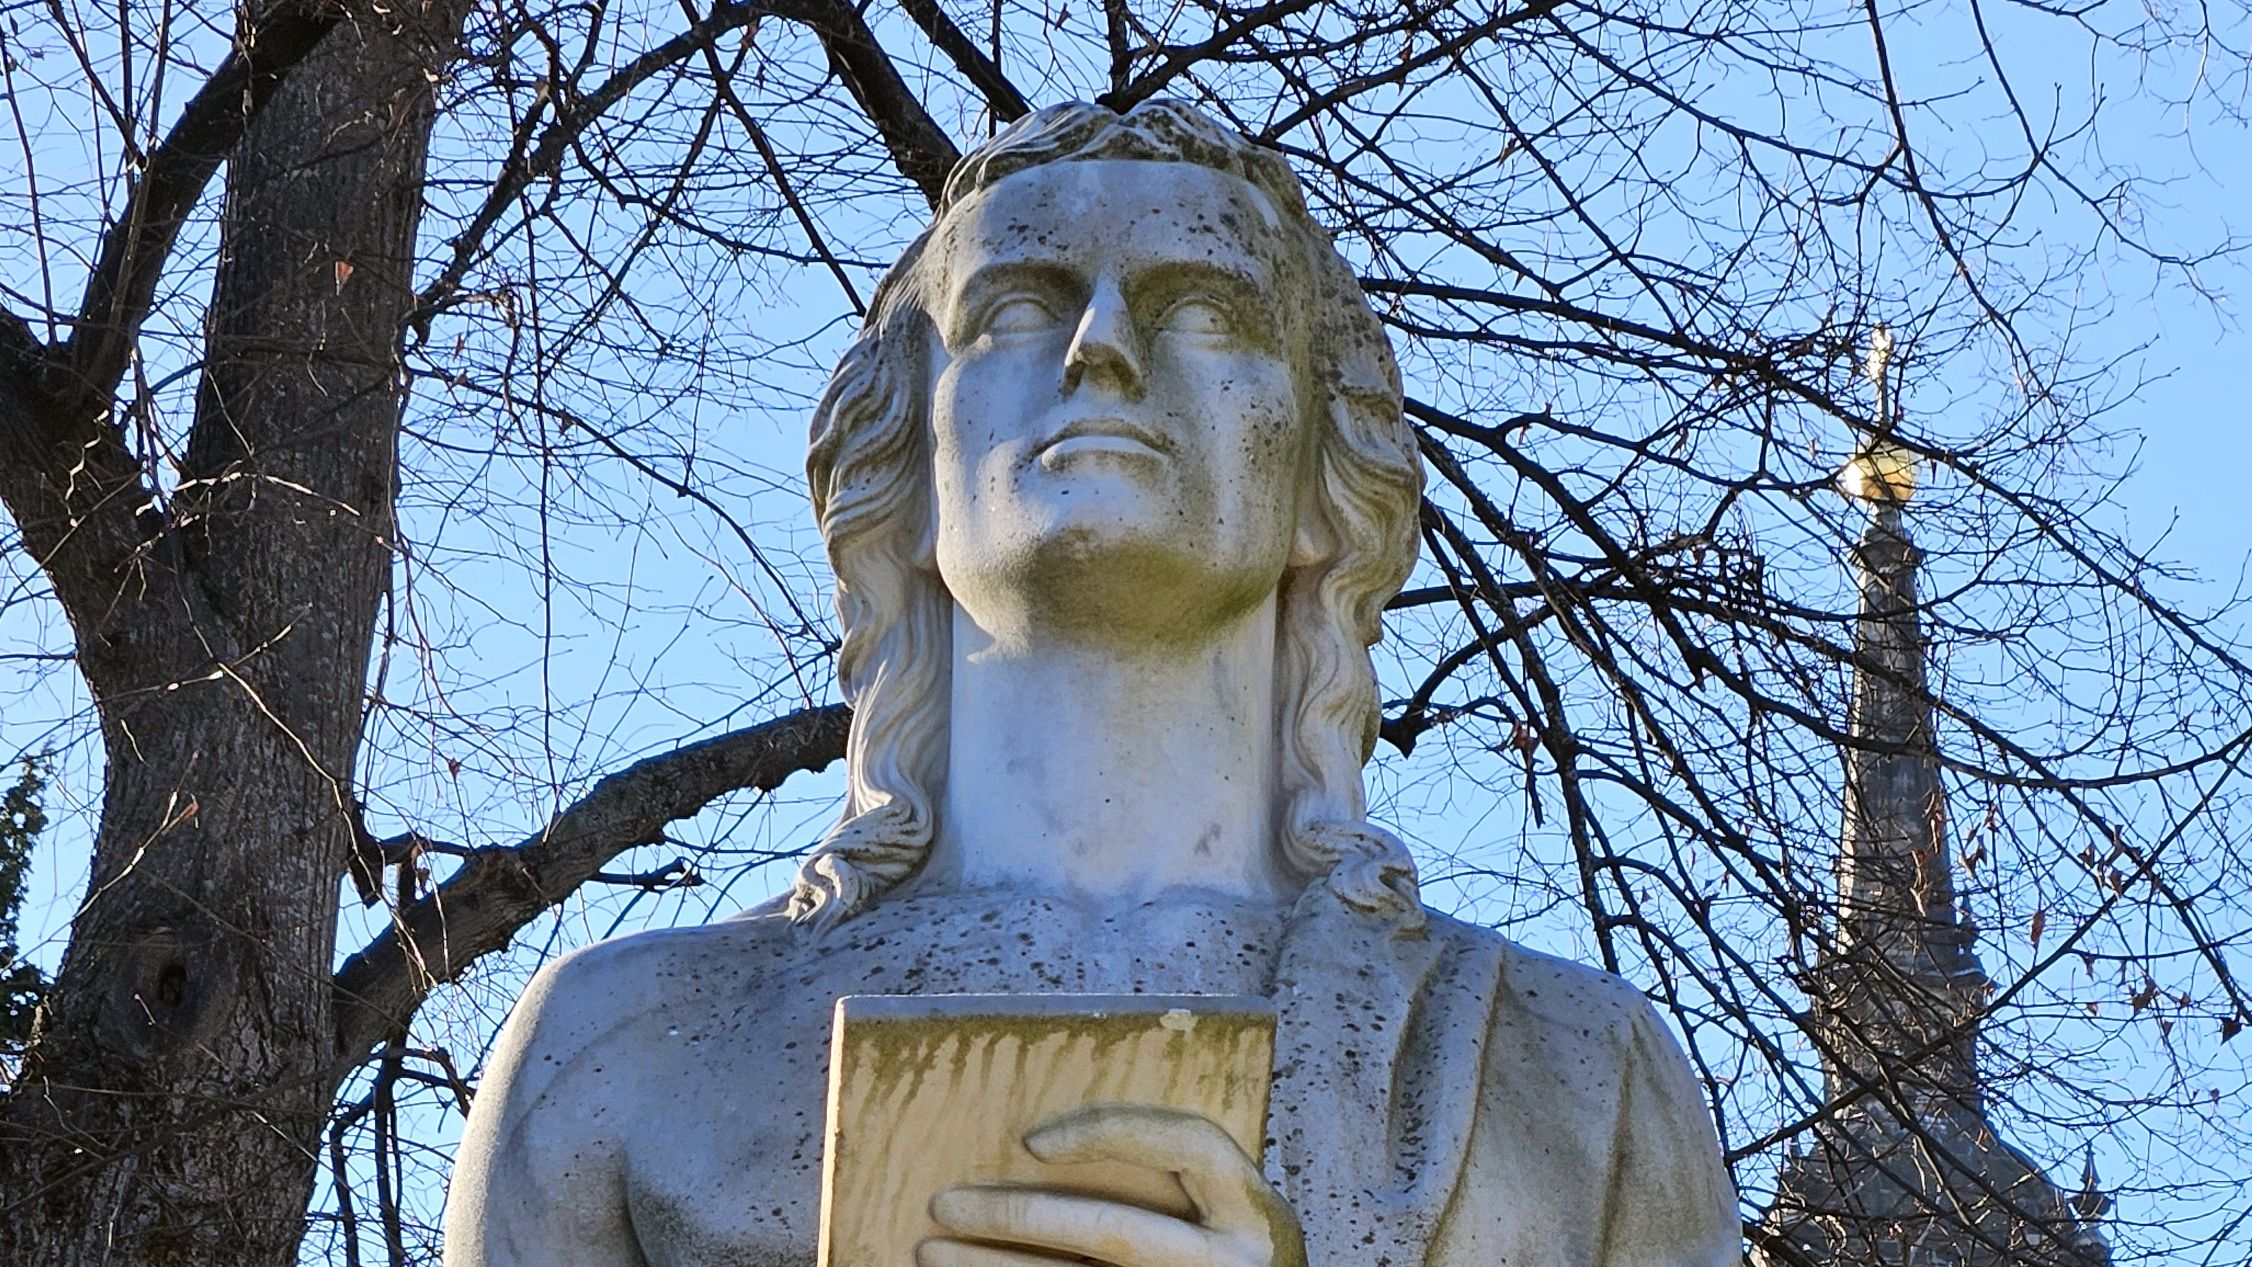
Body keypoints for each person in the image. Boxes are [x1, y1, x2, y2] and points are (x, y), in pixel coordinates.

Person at [443, 100, 1742, 1267]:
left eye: (1210, 311)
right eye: (1016, 308)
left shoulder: (1572, 1078)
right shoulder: (626, 1058)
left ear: (1318, 480)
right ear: (902, 467)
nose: (1102, 348)